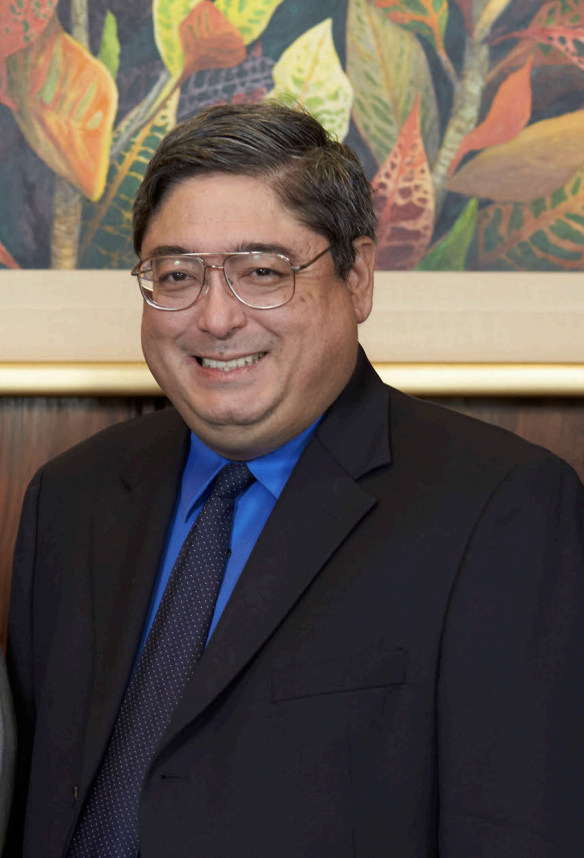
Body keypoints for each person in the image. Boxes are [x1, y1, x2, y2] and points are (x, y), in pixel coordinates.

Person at [6, 101, 584, 858]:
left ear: (360, 276)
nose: (215, 318)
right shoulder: (71, 499)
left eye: (261, 272)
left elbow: (518, 831)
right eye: (176, 274)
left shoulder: (502, 509)